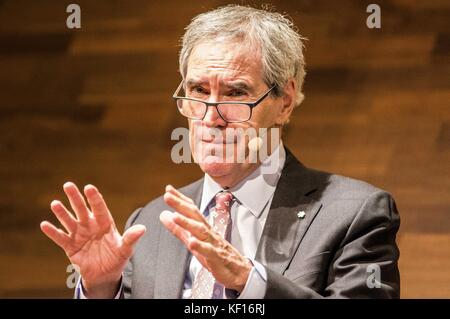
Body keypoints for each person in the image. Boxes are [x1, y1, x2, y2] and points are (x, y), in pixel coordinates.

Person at [40, 5, 400, 299]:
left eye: (235, 93)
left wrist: (249, 281)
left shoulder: (354, 214)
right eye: (197, 90)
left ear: (285, 102)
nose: (212, 116)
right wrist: (102, 288)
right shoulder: (150, 223)